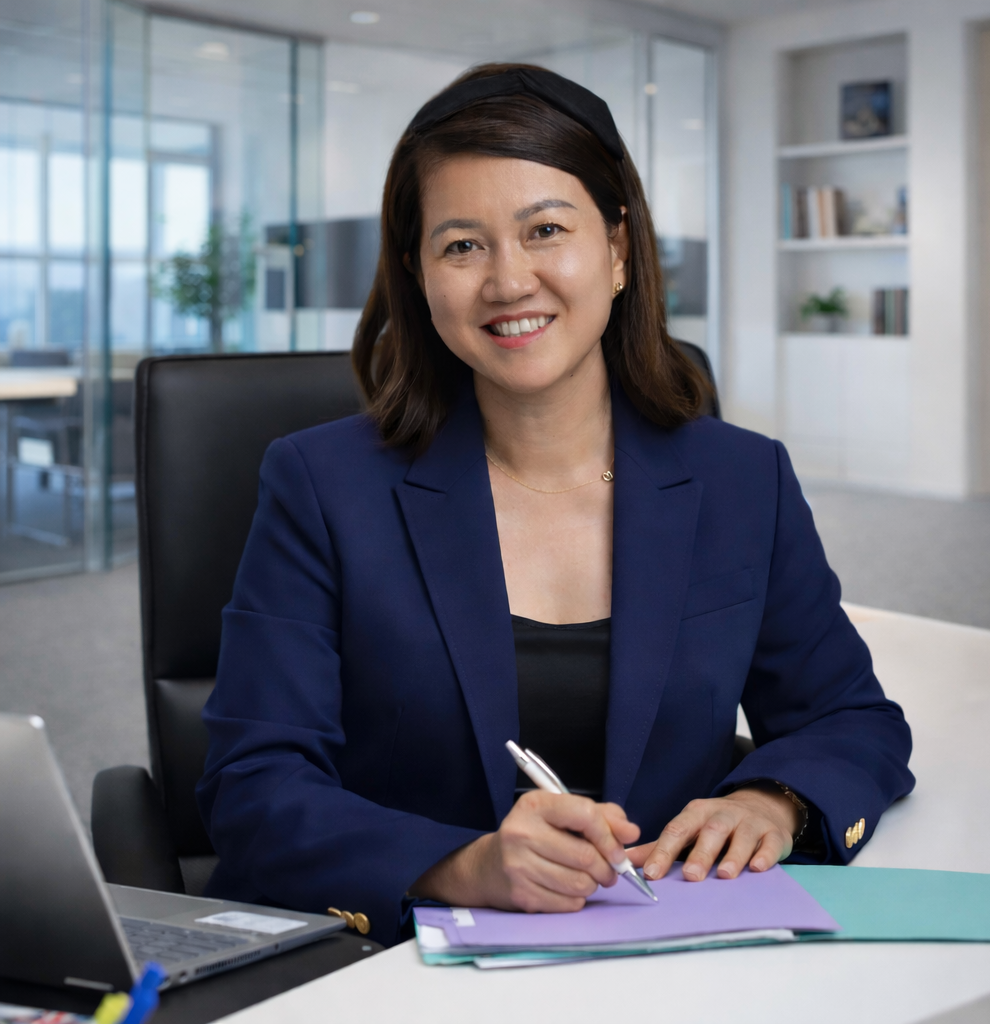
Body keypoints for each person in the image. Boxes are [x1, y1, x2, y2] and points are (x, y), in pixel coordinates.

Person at [197, 64, 915, 947]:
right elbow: (253, 782)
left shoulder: (741, 480)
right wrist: (461, 865)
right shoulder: (321, 484)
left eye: (545, 230)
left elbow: (850, 716)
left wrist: (777, 798)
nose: (508, 281)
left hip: (677, 959)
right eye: (462, 246)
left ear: (617, 249)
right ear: (419, 276)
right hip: (398, 972)